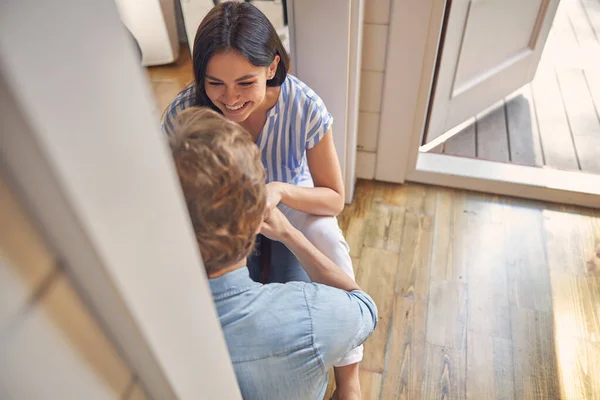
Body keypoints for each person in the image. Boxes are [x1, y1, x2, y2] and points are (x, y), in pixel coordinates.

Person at [161, 1, 364, 393]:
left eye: (245, 82)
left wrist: (281, 191)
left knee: (327, 238)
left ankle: (349, 376)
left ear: (271, 68)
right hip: (221, 211)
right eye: (215, 82)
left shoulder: (304, 106)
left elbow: (335, 198)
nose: (230, 99)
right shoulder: (184, 112)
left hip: (288, 201)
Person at [169, 107, 377, 400]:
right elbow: (364, 307)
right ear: (255, 215)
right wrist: (291, 235)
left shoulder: (150, 317)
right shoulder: (310, 316)